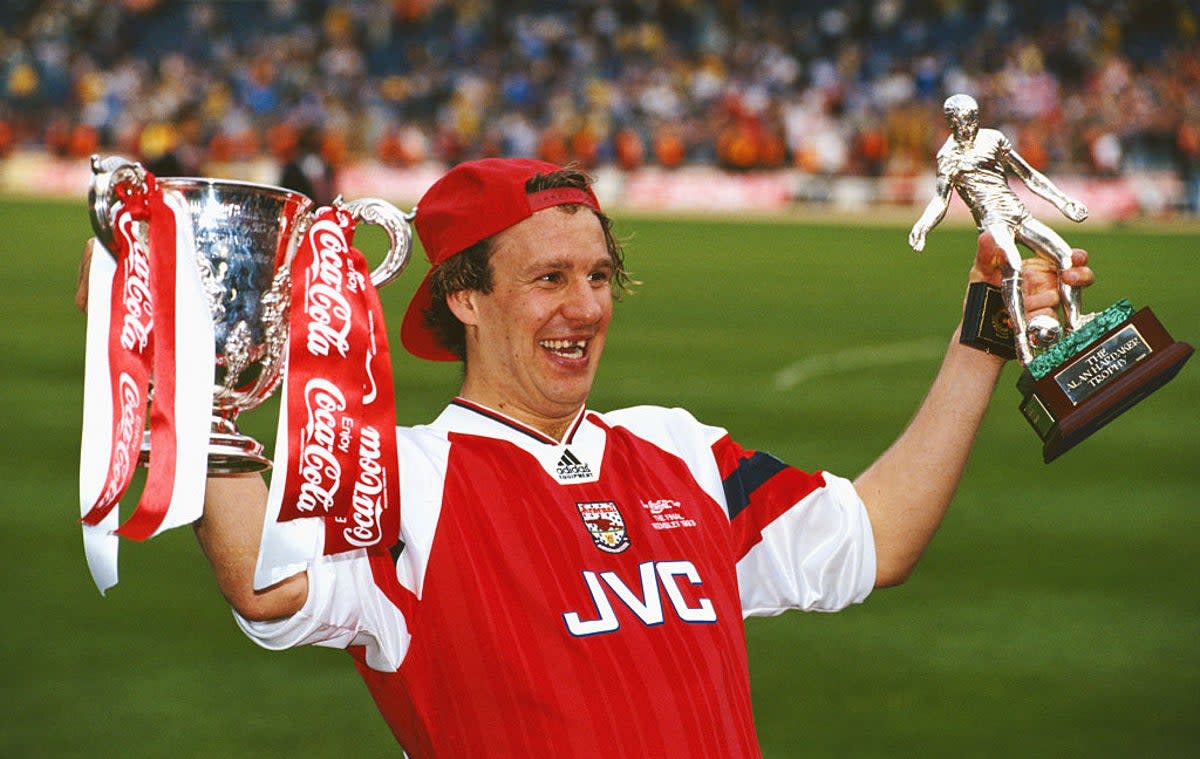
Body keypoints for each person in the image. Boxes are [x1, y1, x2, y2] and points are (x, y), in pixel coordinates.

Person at [78, 157, 1093, 757]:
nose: (586, 307)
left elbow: (877, 537)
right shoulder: (406, 476)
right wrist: (190, 387)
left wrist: (981, 335)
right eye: (550, 277)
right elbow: (270, 581)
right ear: (463, 299)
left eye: (600, 275)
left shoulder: (681, 451)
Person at [908, 93, 1091, 364]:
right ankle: (1021, 341)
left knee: (1065, 256)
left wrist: (1064, 202)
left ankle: (1074, 325)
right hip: (993, 221)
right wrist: (923, 226)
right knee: (1013, 267)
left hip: (1018, 213)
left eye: (974, 117)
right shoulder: (947, 156)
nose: (971, 124)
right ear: (952, 121)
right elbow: (941, 198)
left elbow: (1027, 174)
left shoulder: (992, 138)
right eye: (965, 119)